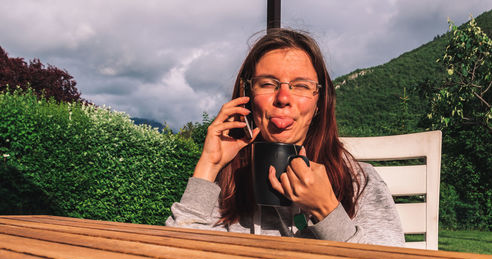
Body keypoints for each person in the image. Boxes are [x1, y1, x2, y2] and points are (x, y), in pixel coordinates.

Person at [166, 29, 405, 247]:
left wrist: (327, 210)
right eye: (268, 83)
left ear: (319, 103)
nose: (283, 97)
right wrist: (209, 166)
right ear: (248, 96)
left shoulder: (359, 182)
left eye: (300, 86)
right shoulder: (229, 185)